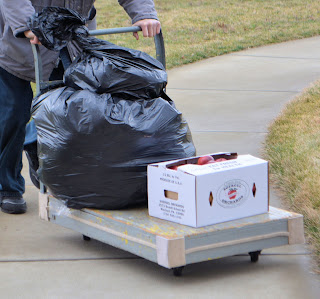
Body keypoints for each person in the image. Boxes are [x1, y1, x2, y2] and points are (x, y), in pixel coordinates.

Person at [0, 0, 161, 214]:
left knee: (71, 112)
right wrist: (27, 24)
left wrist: (143, 13)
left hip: (70, 39)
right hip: (17, 43)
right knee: (12, 115)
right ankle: (7, 187)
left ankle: (36, 140)